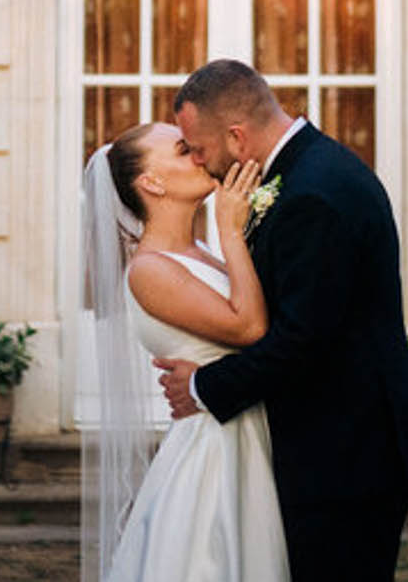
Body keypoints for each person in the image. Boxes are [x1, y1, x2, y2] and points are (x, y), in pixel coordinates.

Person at [158, 59, 408, 582]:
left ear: (237, 137)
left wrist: (204, 385)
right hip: (336, 446)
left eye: (198, 148)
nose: (196, 161)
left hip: (348, 454)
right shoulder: (304, 171)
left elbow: (304, 341)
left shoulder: (312, 195)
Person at [81, 121, 288, 582]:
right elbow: (250, 327)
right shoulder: (149, 270)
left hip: (248, 434)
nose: (199, 154)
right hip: (213, 454)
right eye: (182, 150)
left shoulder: (199, 252)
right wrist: (231, 230)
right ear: (151, 183)